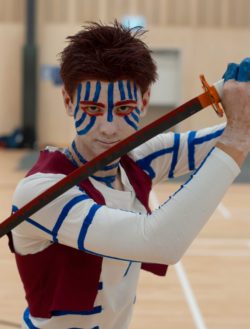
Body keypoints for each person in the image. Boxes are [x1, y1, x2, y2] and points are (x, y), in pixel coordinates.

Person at [9, 21, 250, 329]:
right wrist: (238, 136)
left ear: (144, 102)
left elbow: (232, 134)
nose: (109, 129)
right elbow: (161, 243)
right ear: (69, 102)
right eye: (93, 109)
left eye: (123, 108)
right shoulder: (43, 191)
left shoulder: (137, 158)